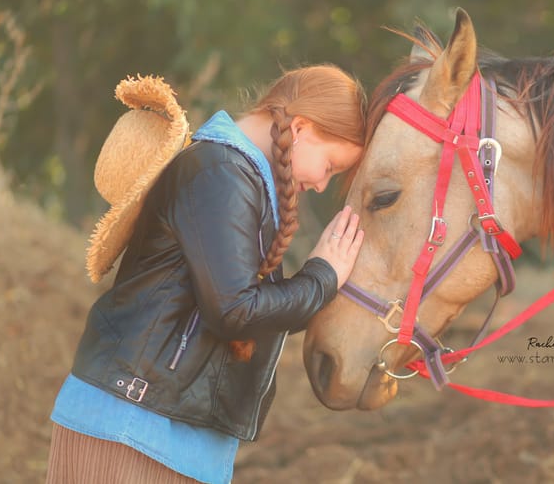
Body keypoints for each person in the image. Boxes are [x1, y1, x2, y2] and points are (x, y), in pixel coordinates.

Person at [46, 65, 368, 483]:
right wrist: (321, 277)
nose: (323, 184)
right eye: (330, 166)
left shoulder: (238, 176)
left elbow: (243, 309)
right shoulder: (222, 173)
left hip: (165, 435)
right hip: (135, 429)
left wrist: (322, 284)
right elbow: (235, 310)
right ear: (302, 128)